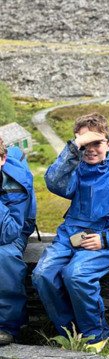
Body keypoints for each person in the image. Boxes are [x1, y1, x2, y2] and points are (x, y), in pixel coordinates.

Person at [32, 113, 109, 353]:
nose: (90, 149)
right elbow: (53, 182)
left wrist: (106, 239)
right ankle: (69, 332)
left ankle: (95, 334)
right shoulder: (77, 170)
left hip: (107, 237)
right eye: (83, 144)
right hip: (71, 234)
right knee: (42, 274)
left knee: (76, 274)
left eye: (95, 142)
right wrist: (73, 148)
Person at [0, 140, 36, 346]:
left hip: (12, 230)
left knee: (4, 256)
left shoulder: (16, 183)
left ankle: (7, 326)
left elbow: (9, 232)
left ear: (3, 159)